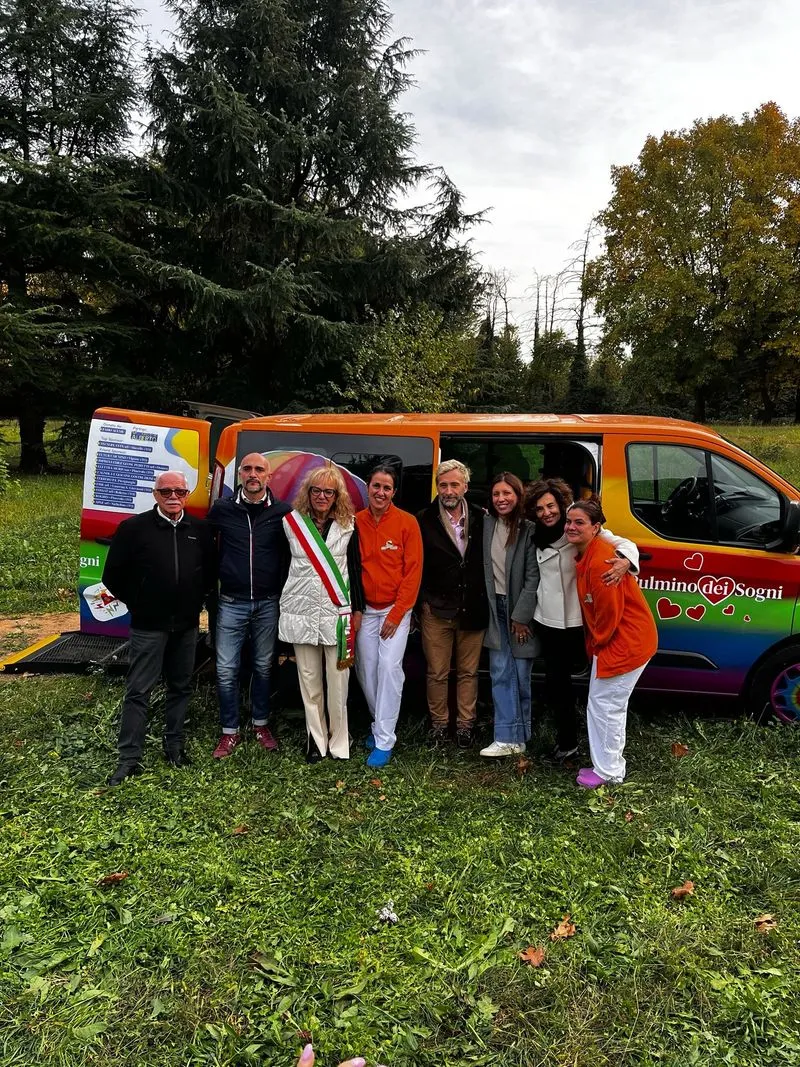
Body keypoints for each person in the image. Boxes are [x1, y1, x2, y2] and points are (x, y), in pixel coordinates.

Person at [102, 471, 215, 785]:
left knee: (181, 686)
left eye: (179, 491)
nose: (173, 497)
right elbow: (112, 576)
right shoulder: (133, 529)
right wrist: (139, 603)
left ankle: (174, 746)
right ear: (155, 495)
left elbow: (209, 573)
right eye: (166, 492)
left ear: (187, 494)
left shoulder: (199, 530)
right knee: (139, 690)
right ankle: (129, 758)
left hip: (186, 625)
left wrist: (195, 602)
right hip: (148, 626)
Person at [527, 477, 639, 763]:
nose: (546, 513)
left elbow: (624, 543)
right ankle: (567, 744)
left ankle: (600, 747)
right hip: (549, 621)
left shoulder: (578, 529)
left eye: (551, 506)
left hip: (580, 622)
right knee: (557, 686)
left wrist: (626, 561)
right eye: (539, 509)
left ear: (561, 505)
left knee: (597, 687)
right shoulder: (533, 535)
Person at [566, 496, 658, 788]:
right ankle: (606, 766)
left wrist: (597, 644)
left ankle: (609, 772)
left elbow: (608, 613)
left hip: (625, 642)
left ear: (596, 528)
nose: (571, 527)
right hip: (619, 640)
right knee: (602, 703)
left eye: (579, 522)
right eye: (569, 521)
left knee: (607, 706)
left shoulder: (601, 561)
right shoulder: (590, 552)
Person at [208, 452, 290, 758]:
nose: (253, 474)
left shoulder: (283, 512)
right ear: (240, 474)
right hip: (232, 602)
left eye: (259, 469)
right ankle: (229, 731)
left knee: (264, 665)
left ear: (269, 476)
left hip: (268, 603)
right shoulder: (222, 509)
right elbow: (205, 548)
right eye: (247, 469)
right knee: (226, 668)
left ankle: (261, 724)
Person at [279, 465, 365, 762]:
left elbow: (355, 568)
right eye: (317, 490)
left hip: (336, 613)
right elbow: (283, 567)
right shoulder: (291, 523)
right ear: (308, 492)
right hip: (300, 612)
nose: (322, 496)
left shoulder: (349, 525)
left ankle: (339, 741)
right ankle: (316, 741)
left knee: (339, 682)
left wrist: (358, 609)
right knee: (309, 680)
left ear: (337, 496)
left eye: (329, 492)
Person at [355, 464, 423, 768]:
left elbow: (413, 572)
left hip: (396, 609)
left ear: (394, 492)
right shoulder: (355, 521)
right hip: (365, 610)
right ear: (368, 487)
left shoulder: (407, 522)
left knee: (389, 668)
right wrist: (356, 609)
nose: (380, 492)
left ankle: (384, 739)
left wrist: (397, 613)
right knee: (366, 669)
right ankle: (378, 723)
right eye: (376, 486)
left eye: (387, 488)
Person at [417, 459, 488, 748]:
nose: (448, 490)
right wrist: (422, 602)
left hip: (472, 606)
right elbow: (416, 564)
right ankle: (439, 725)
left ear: (465, 487)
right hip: (436, 608)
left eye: (454, 484)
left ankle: (465, 726)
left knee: (469, 672)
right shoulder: (423, 518)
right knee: (437, 672)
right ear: (437, 486)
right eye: (443, 485)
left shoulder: (483, 517)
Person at [480, 472, 539, 757]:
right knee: (500, 671)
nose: (501, 499)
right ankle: (507, 737)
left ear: (518, 495)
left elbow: (533, 577)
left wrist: (521, 617)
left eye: (507, 493)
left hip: (520, 611)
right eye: (496, 494)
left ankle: (520, 735)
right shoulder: (485, 524)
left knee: (521, 673)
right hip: (494, 607)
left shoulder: (529, 529)